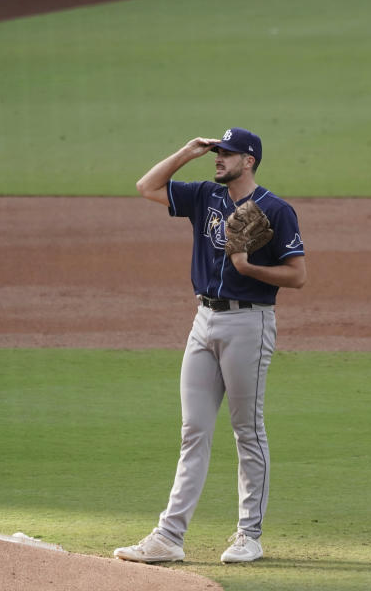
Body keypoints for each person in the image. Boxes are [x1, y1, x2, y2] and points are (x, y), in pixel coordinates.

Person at [113, 127, 306, 564]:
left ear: (250, 160)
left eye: (228, 153)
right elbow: (148, 188)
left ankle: (248, 535)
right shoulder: (205, 196)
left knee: (247, 431)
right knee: (193, 431)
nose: (219, 159)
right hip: (203, 320)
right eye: (218, 152)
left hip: (249, 323)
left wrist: (246, 266)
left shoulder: (276, 210)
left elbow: (298, 276)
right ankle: (169, 536)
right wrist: (187, 150)